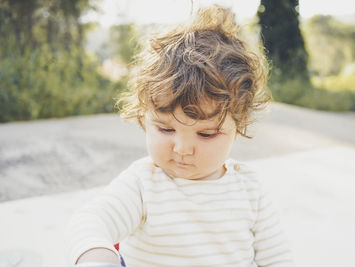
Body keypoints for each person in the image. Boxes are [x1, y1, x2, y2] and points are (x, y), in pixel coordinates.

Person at [65, 5, 293, 267]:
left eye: (206, 134)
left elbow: (277, 258)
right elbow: (91, 222)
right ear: (145, 117)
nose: (182, 148)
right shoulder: (143, 184)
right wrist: (96, 256)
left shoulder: (250, 190)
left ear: (237, 126)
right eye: (165, 129)